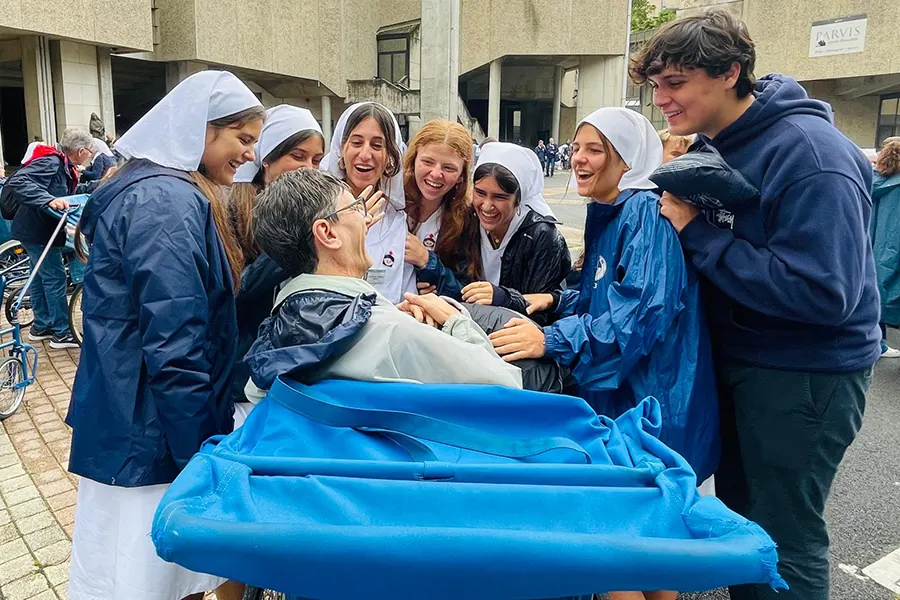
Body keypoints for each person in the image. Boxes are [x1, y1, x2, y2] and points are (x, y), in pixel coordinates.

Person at [631, 11, 879, 600]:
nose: (660, 98)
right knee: (743, 523)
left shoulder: (811, 155)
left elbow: (825, 293)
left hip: (804, 373)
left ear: (730, 73)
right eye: (656, 84)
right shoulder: (725, 141)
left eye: (675, 83)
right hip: (749, 361)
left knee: (783, 538)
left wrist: (700, 234)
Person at [490, 108, 719, 600]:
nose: (578, 159)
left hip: (649, 400)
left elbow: (639, 314)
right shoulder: (614, 209)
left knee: (616, 543)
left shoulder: (644, 213)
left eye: (595, 150)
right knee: (645, 544)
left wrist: (550, 338)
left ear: (627, 159)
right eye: (576, 148)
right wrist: (553, 301)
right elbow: (603, 292)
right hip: (632, 396)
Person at [65, 70, 264, 600]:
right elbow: (175, 340)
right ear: (200, 129)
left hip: (135, 419)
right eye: (242, 138)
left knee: (131, 573)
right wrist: (199, 453)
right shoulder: (166, 201)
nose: (250, 153)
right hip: (151, 432)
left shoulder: (153, 188)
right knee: (148, 576)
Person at [243, 168, 522, 401]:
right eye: (355, 207)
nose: (366, 219)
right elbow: (504, 386)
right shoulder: (391, 333)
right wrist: (455, 321)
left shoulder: (268, 347)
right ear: (327, 233)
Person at [227, 104, 326, 425]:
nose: (308, 168)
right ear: (266, 158)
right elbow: (236, 291)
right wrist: (295, 243)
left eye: (316, 160)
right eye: (298, 157)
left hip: (292, 379)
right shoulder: (233, 213)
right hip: (243, 382)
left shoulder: (315, 214)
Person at [416, 142, 570, 325]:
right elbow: (463, 290)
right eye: (480, 193)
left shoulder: (543, 236)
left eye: (500, 197)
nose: (487, 206)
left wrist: (502, 297)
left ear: (519, 199)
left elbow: (543, 310)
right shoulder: (467, 222)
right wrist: (436, 283)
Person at [0, 129, 99, 348]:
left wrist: (98, 185)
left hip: (35, 230)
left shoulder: (63, 166)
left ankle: (41, 326)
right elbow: (18, 183)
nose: (90, 156)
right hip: (38, 232)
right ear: (81, 151)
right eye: (90, 152)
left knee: (39, 277)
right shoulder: (51, 162)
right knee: (54, 278)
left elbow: (67, 193)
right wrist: (47, 200)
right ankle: (62, 333)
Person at [321, 102, 409, 302]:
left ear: (390, 156)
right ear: (341, 148)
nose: (365, 155)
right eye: (357, 143)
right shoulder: (316, 209)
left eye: (377, 146)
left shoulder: (398, 218)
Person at [400, 119, 473, 297]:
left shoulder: (466, 220)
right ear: (413, 159)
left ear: (461, 176)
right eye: (428, 162)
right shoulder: (389, 202)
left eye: (448, 168)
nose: (436, 174)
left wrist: (428, 262)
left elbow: (466, 290)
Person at [872, 137, 900, 359]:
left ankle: (877, 341)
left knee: (875, 290)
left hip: (870, 247)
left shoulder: (874, 181)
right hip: (890, 249)